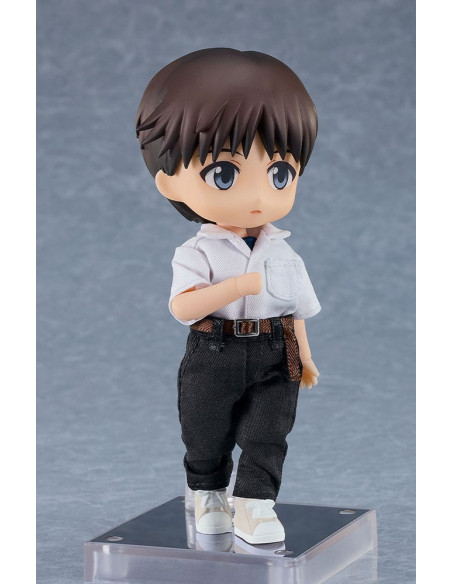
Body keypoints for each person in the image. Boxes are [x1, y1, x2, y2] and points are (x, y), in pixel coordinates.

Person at [136, 48, 321, 545]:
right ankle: (208, 490)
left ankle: (256, 504)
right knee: (205, 427)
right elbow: (182, 307)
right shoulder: (196, 252)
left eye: (280, 174)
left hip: (274, 348)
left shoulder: (284, 252)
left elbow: (297, 309)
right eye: (225, 174)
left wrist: (304, 355)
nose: (259, 196)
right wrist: (234, 287)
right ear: (169, 182)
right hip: (214, 348)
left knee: (269, 430)